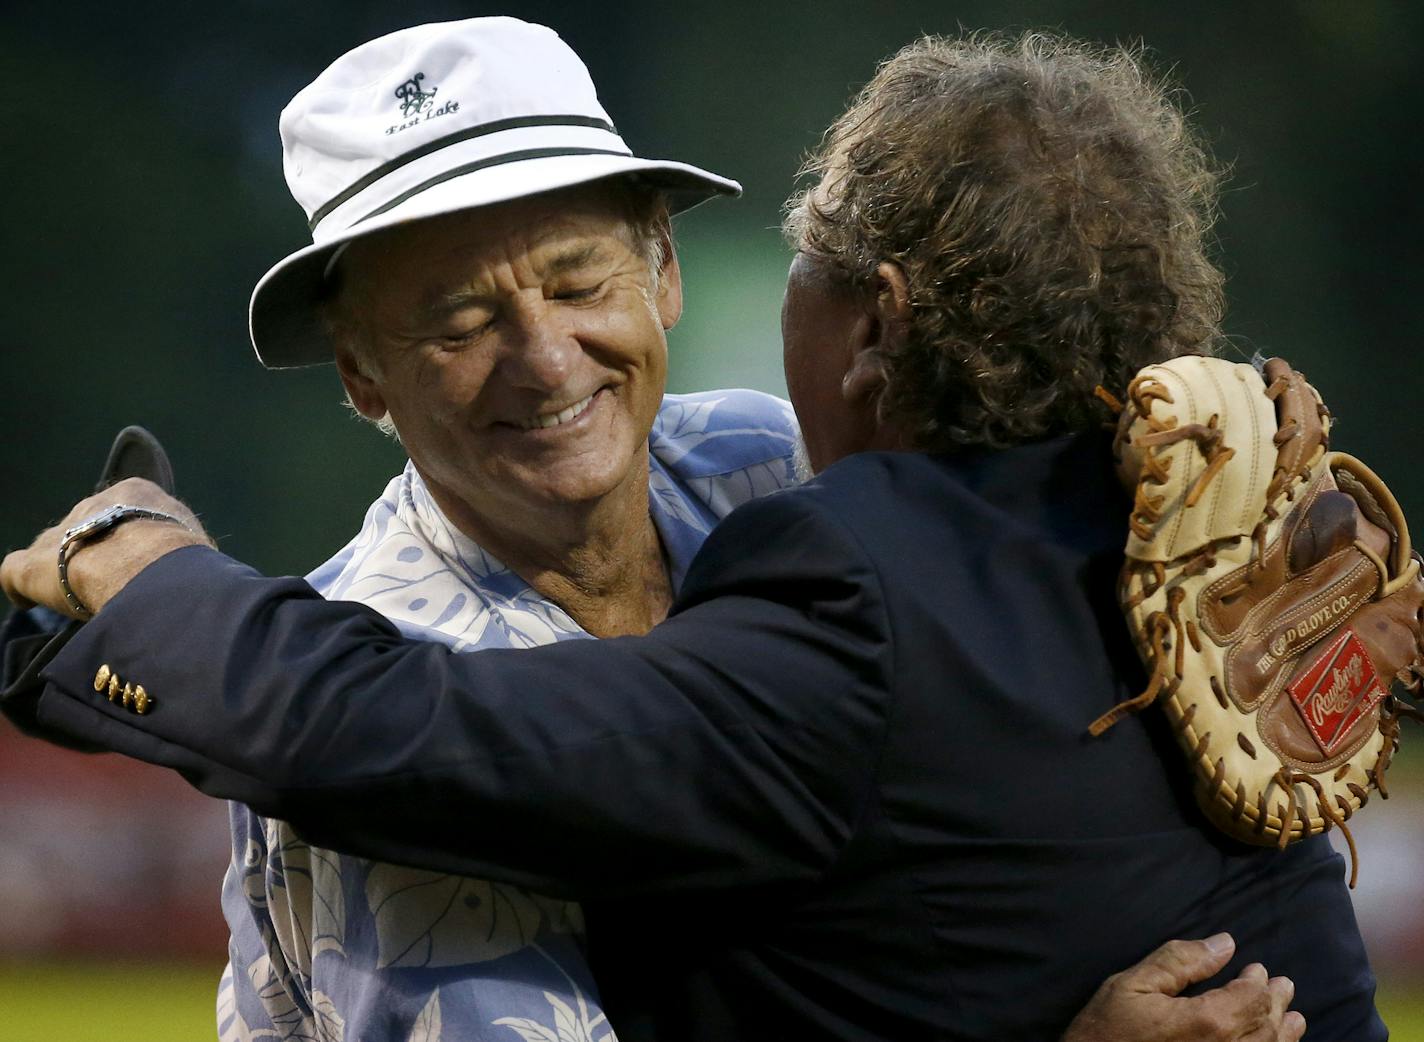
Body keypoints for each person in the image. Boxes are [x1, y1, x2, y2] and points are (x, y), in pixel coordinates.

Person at [0, 25, 1359, 1042]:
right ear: (361, 375)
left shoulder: (774, 474)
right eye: (458, 322)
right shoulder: (367, 751)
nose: (543, 361)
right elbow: (385, 726)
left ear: (661, 270)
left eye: (580, 278)